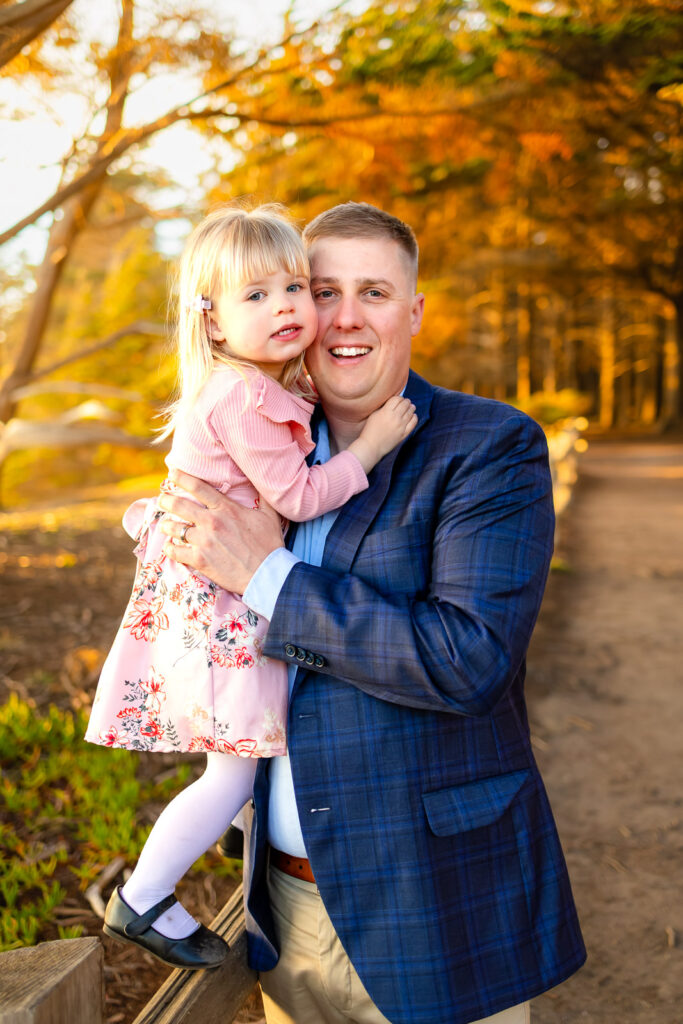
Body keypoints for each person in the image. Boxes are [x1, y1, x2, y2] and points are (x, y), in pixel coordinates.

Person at [157, 202, 587, 1021]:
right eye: (323, 290)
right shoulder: (257, 439)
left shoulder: (487, 446)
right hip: (284, 909)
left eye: (375, 293)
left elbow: (466, 661)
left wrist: (268, 576)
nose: (345, 317)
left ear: (414, 311)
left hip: (432, 904)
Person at [85, 204, 416, 971]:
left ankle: (263, 862)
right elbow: (299, 499)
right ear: (212, 323)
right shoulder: (243, 396)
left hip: (217, 596)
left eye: (295, 287)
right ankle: (143, 897)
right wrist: (369, 445)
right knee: (233, 764)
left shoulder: (257, 387)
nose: (288, 307)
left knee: (248, 755)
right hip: (220, 605)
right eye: (256, 296)